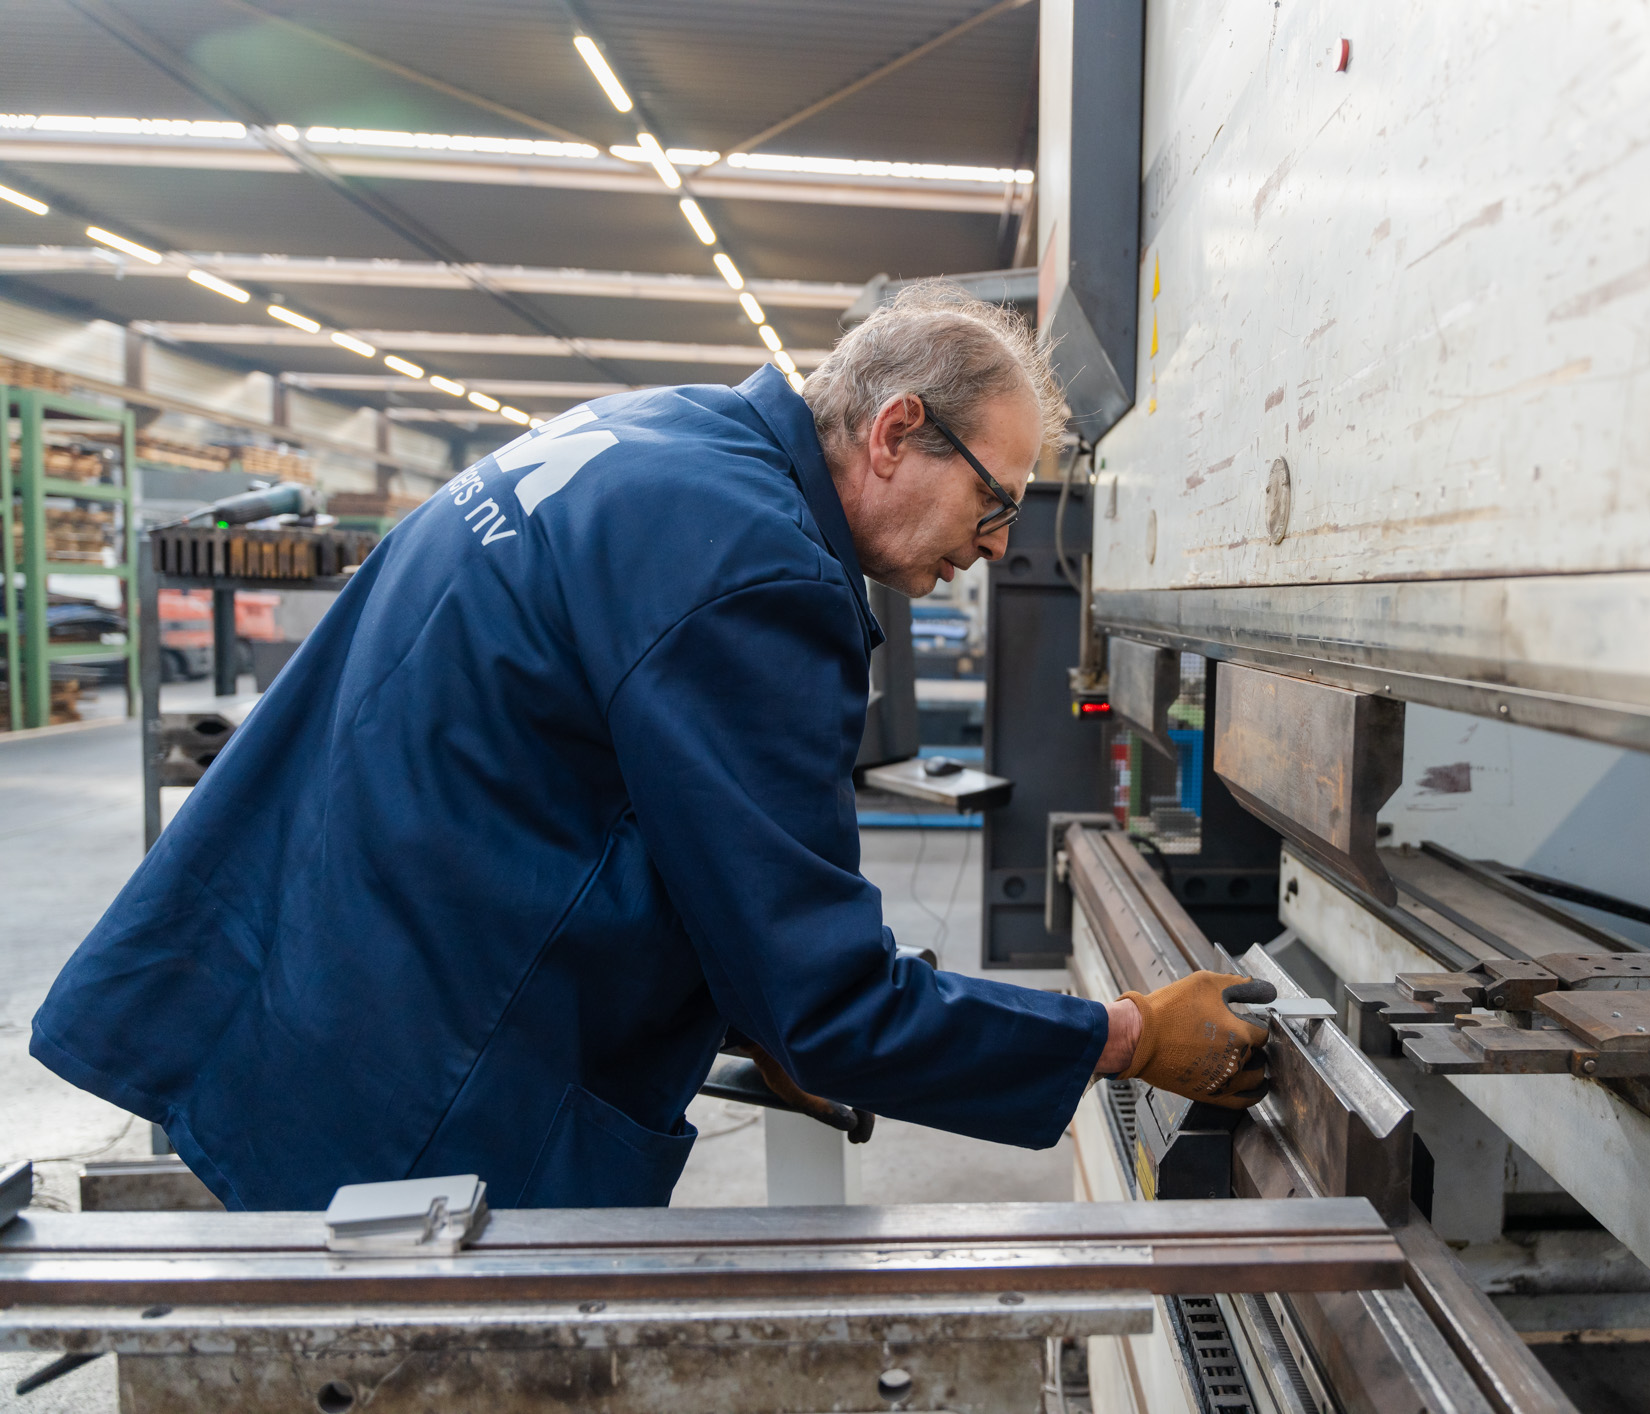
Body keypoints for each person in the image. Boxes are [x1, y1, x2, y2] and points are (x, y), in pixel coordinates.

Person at [31, 283, 1271, 1211]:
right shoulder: (763, 573)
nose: (1001, 545)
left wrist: (746, 1002)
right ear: (896, 432)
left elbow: (576, 768)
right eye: (996, 503)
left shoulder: (656, 436)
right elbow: (827, 998)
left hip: (289, 970)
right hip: (412, 1079)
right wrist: (1123, 1036)